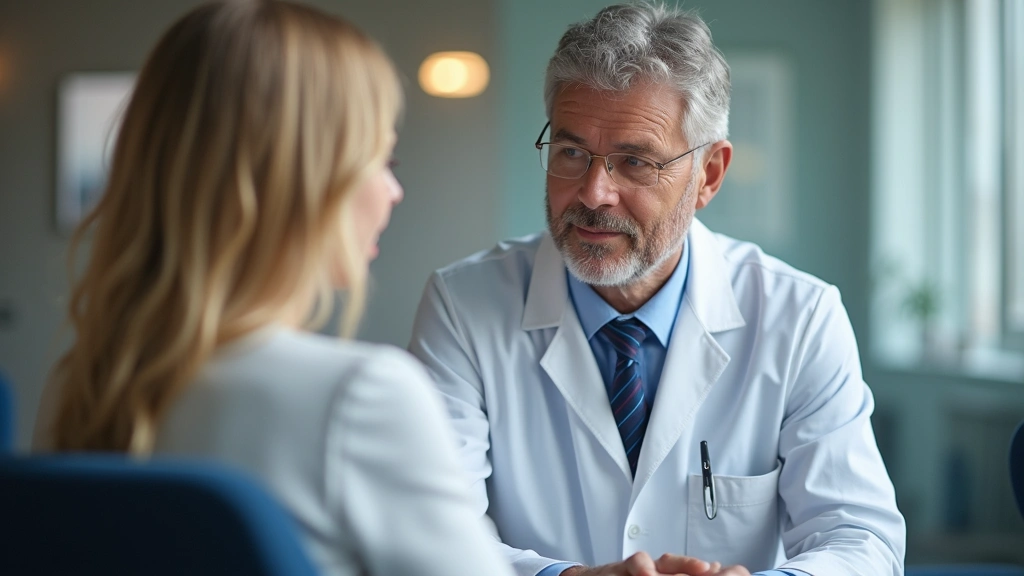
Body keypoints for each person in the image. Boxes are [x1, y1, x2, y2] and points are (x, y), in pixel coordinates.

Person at [408, 4, 906, 576]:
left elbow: (861, 539)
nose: (594, 192)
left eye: (635, 161)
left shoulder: (800, 317)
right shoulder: (462, 305)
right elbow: (429, 537)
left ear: (709, 176)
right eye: (572, 153)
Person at [33, 2, 514, 575]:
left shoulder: (84, 388)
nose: (393, 191)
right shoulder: (363, 398)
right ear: (303, 179)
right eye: (382, 158)